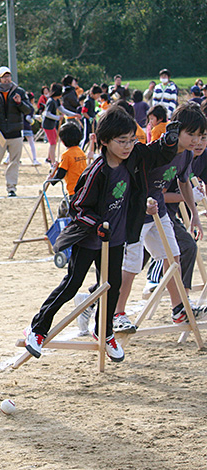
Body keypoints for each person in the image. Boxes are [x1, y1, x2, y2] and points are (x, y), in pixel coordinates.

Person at [24, 107, 180, 362]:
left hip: (116, 238)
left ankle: (104, 331)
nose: (128, 146)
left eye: (131, 140)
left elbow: (155, 153)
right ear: (104, 141)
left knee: (111, 286)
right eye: (122, 141)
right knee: (72, 284)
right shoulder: (96, 171)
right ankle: (38, 329)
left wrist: (169, 142)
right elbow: (78, 207)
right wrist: (96, 224)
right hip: (90, 238)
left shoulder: (134, 156)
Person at [112, 103, 206, 332]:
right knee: (132, 265)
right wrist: (141, 201)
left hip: (158, 210)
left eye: (201, 135)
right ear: (176, 129)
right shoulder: (159, 151)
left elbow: (184, 182)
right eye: (191, 134)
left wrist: (194, 214)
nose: (196, 141)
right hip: (135, 212)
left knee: (172, 256)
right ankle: (116, 313)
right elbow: (132, 178)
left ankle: (178, 308)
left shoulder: (186, 155)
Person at [0, 66, 33, 197]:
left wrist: (20, 103)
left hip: (16, 133)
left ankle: (11, 188)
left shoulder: (19, 92)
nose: (7, 79)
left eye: (8, 76)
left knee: (14, 162)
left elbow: (28, 110)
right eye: (4, 77)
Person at [50, 122, 86, 203]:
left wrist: (52, 180)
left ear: (63, 141)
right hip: (84, 188)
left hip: (74, 190)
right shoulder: (81, 152)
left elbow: (61, 173)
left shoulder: (67, 155)